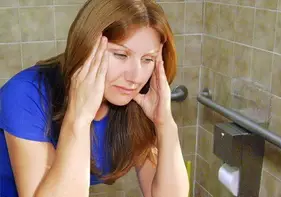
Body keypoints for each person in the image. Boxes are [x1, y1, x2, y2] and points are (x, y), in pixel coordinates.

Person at [0, 0, 190, 196]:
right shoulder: (26, 94)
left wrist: (165, 123)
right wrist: (79, 119)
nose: (135, 77)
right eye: (120, 55)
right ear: (87, 46)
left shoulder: (134, 104)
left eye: (148, 59)